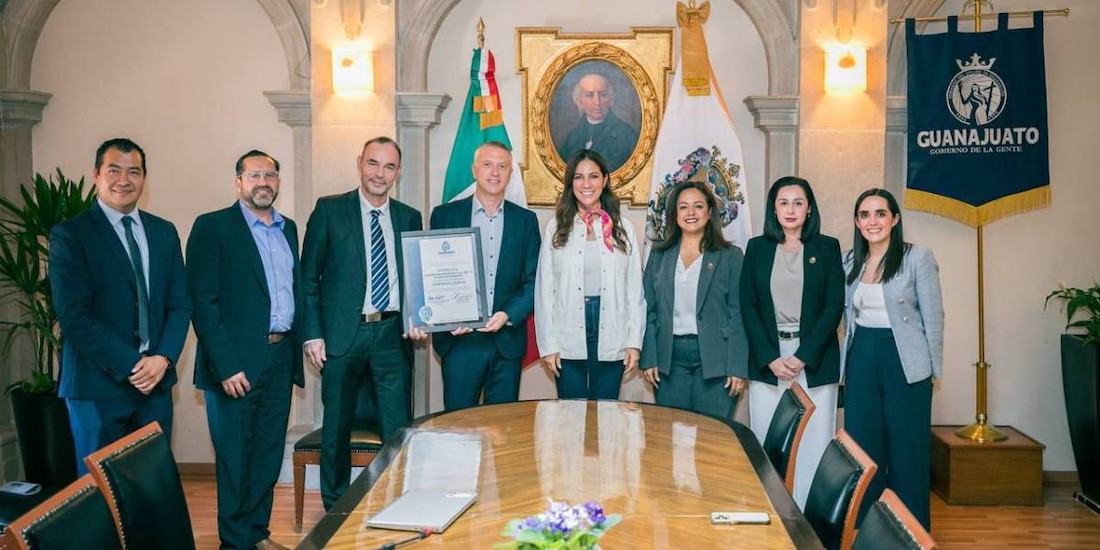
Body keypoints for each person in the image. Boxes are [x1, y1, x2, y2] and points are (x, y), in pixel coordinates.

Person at [49, 137, 191, 475]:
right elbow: (74, 317)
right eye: (114, 170)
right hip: (96, 387)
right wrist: (133, 364)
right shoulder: (71, 235)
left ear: (144, 178)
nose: (124, 180)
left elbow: (180, 305)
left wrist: (163, 359)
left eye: (134, 171)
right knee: (101, 493)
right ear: (96, 175)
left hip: (154, 385)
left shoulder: (163, 232)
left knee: (152, 489)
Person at [300, 136, 423, 510]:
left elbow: (416, 278)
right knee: (335, 426)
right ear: (359, 163)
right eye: (373, 163)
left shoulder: (409, 216)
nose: (379, 173)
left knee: (397, 427)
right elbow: (308, 279)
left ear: (397, 172)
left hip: (391, 333)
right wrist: (313, 334)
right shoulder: (329, 210)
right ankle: (335, 505)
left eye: (388, 167)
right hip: (340, 335)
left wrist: (419, 316)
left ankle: (394, 498)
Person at [187, 150, 300, 550]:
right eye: (255, 175)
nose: (263, 182)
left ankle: (257, 534)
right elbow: (203, 302)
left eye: (270, 175)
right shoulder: (213, 227)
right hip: (234, 365)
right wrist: (226, 366)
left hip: (280, 356)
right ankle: (234, 543)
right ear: (238, 182)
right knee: (236, 459)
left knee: (268, 455)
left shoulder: (288, 229)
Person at [740, 176, 844, 509]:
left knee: (814, 440)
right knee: (770, 441)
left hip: (813, 360)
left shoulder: (827, 247)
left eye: (798, 202)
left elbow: (833, 306)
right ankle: (775, 512)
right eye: (783, 203)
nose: (791, 209)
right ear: (774, 208)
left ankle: (810, 522)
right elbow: (748, 305)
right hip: (770, 361)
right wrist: (771, 357)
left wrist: (802, 356)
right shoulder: (757, 248)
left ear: (809, 209)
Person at [843, 188, 943, 530]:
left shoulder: (918, 258)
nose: (873, 221)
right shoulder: (849, 262)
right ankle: (871, 529)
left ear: (895, 219)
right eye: (865, 215)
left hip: (905, 361)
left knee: (907, 449)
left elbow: (934, 316)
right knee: (864, 446)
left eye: (881, 213)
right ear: (857, 222)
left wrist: (933, 370)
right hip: (861, 359)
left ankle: (910, 531)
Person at [426, 141, 540, 411]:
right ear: (474, 169)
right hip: (460, 341)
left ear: (511, 173)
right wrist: (446, 316)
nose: (495, 172)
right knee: (458, 428)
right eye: (487, 164)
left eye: (503, 166)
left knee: (502, 434)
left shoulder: (525, 221)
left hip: (506, 343)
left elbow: (535, 279)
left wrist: (508, 314)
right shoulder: (445, 216)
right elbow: (432, 275)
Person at [534, 150, 644, 399]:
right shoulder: (557, 227)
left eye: (593, 176)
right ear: (570, 183)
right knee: (570, 415)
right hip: (567, 330)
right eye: (578, 177)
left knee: (607, 413)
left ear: (605, 180)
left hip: (612, 328)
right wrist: (548, 345)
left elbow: (634, 290)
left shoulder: (622, 227)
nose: (586, 184)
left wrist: (633, 341)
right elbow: (544, 290)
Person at [641, 181, 748, 418]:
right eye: (683, 207)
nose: (690, 213)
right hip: (669, 359)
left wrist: (737, 366)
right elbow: (648, 309)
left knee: (712, 436)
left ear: (709, 212)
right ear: (674, 214)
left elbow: (738, 313)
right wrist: (649, 358)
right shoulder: (659, 255)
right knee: (672, 435)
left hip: (716, 359)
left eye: (698, 206)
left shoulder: (731, 256)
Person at [556, 73, 640, 172]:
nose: (597, 102)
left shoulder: (628, 135)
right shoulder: (572, 138)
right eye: (590, 95)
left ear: (611, 99)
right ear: (579, 101)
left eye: (603, 95)